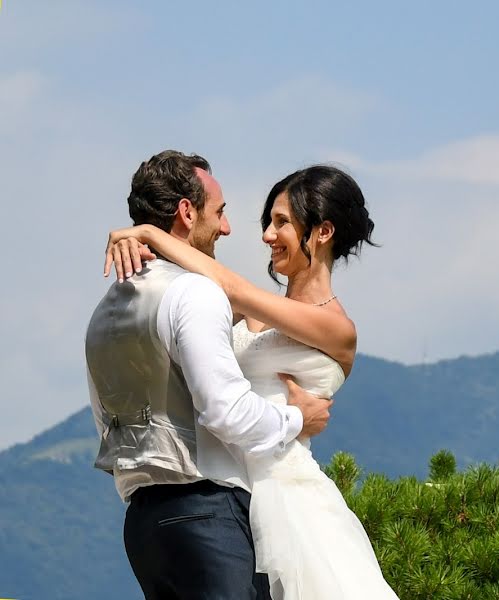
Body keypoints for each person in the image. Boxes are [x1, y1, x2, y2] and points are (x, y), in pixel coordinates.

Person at [105, 165, 399, 599]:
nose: (267, 235)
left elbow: (230, 287)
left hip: (287, 498)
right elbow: (197, 288)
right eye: (270, 221)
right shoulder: (256, 310)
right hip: (226, 492)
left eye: (282, 222)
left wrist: (146, 232)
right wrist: (140, 239)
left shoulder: (336, 328)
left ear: (322, 232)